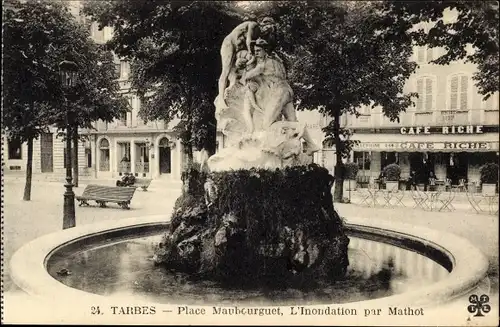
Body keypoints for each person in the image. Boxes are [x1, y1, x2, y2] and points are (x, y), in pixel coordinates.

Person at [217, 20, 260, 109]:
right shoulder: (253, 25)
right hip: (229, 44)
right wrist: (250, 52)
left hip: (237, 49)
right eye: (267, 25)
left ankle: (232, 91)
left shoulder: (259, 34)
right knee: (225, 71)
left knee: (234, 73)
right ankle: (221, 99)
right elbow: (248, 40)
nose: (268, 28)